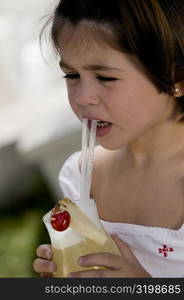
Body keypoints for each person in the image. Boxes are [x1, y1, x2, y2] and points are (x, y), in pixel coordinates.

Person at [33, 0, 184, 277]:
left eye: (105, 77)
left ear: (176, 76)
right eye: (72, 75)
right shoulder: (81, 177)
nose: (82, 98)